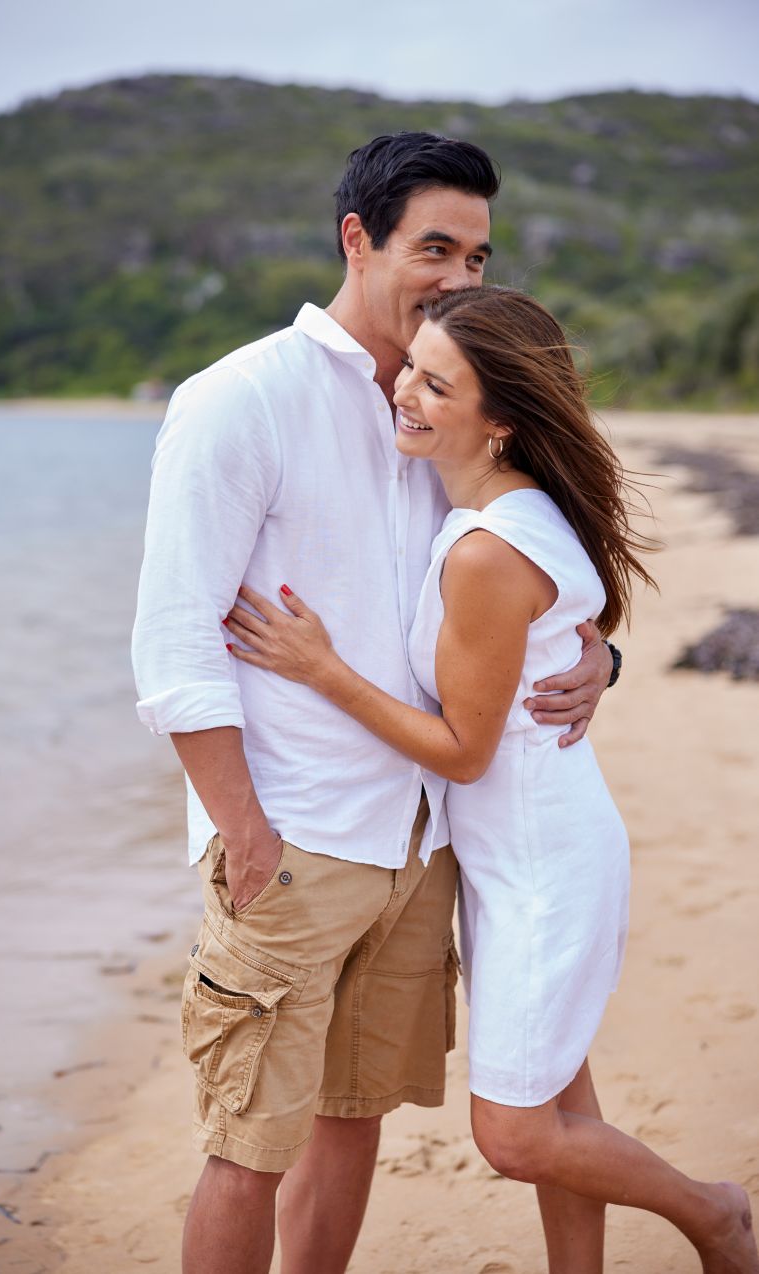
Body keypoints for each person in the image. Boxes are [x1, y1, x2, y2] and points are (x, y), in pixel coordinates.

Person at [131, 133, 617, 1274]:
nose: (459, 275)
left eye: (479, 254)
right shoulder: (240, 400)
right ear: (358, 238)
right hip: (293, 840)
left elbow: (531, 581)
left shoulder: (446, 399)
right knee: (247, 1144)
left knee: (352, 1121)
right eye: (433, 246)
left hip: (425, 840)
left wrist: (604, 659)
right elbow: (172, 637)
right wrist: (238, 823)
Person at [223, 285, 759, 1274]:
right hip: (516, 847)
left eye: (436, 384)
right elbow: (567, 628)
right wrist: (599, 654)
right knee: (555, 1090)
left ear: (499, 419)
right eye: (408, 371)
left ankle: (713, 1212)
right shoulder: (500, 507)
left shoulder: (481, 547)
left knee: (514, 1131)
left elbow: (464, 749)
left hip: (538, 861)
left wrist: (320, 668)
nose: (405, 395)